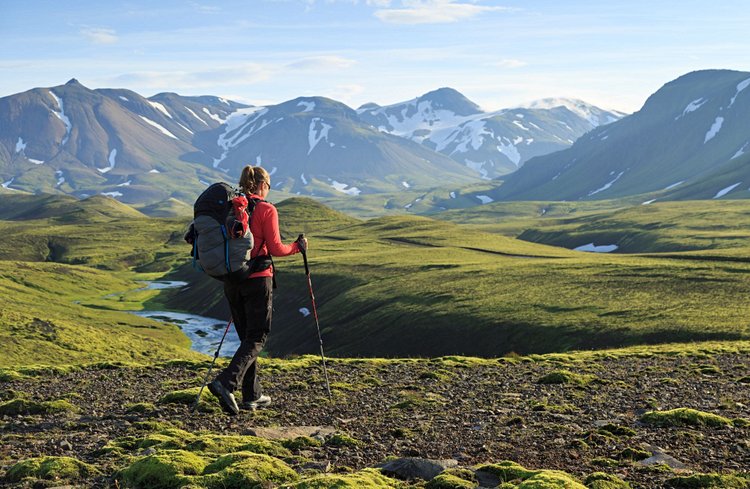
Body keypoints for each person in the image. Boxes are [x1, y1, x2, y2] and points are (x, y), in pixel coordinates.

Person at [208, 165, 307, 415]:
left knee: (247, 339)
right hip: (258, 279)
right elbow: (275, 248)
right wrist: (297, 247)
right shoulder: (266, 209)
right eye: (269, 186)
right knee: (258, 336)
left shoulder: (229, 209)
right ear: (263, 185)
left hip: (231, 280)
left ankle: (252, 395)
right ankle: (226, 382)